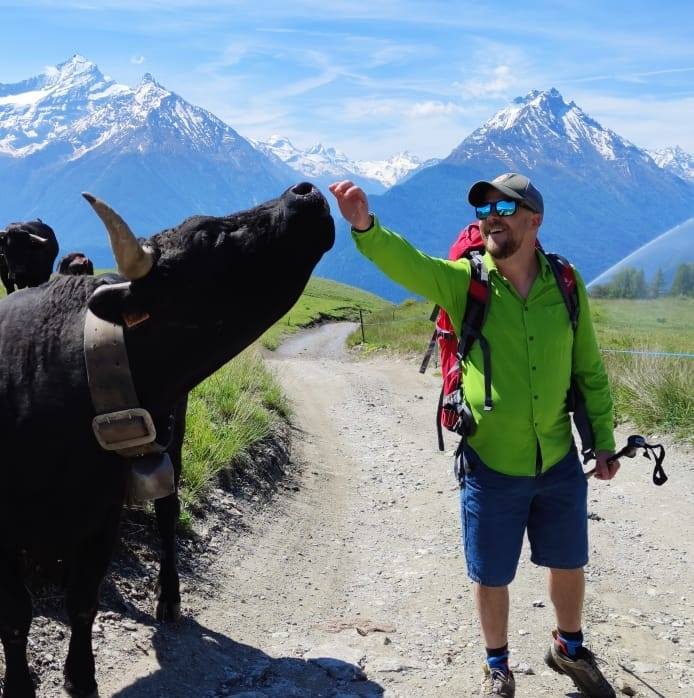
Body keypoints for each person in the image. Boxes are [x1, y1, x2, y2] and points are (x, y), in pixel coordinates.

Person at [330, 174, 620, 698]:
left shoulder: (566, 283)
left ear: (535, 220)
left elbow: (589, 369)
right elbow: (412, 266)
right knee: (491, 573)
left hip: (557, 457)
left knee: (569, 560)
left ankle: (570, 649)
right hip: (490, 460)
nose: (491, 217)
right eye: (484, 209)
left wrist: (602, 439)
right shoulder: (467, 282)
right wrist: (366, 228)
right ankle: (497, 667)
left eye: (505, 208)